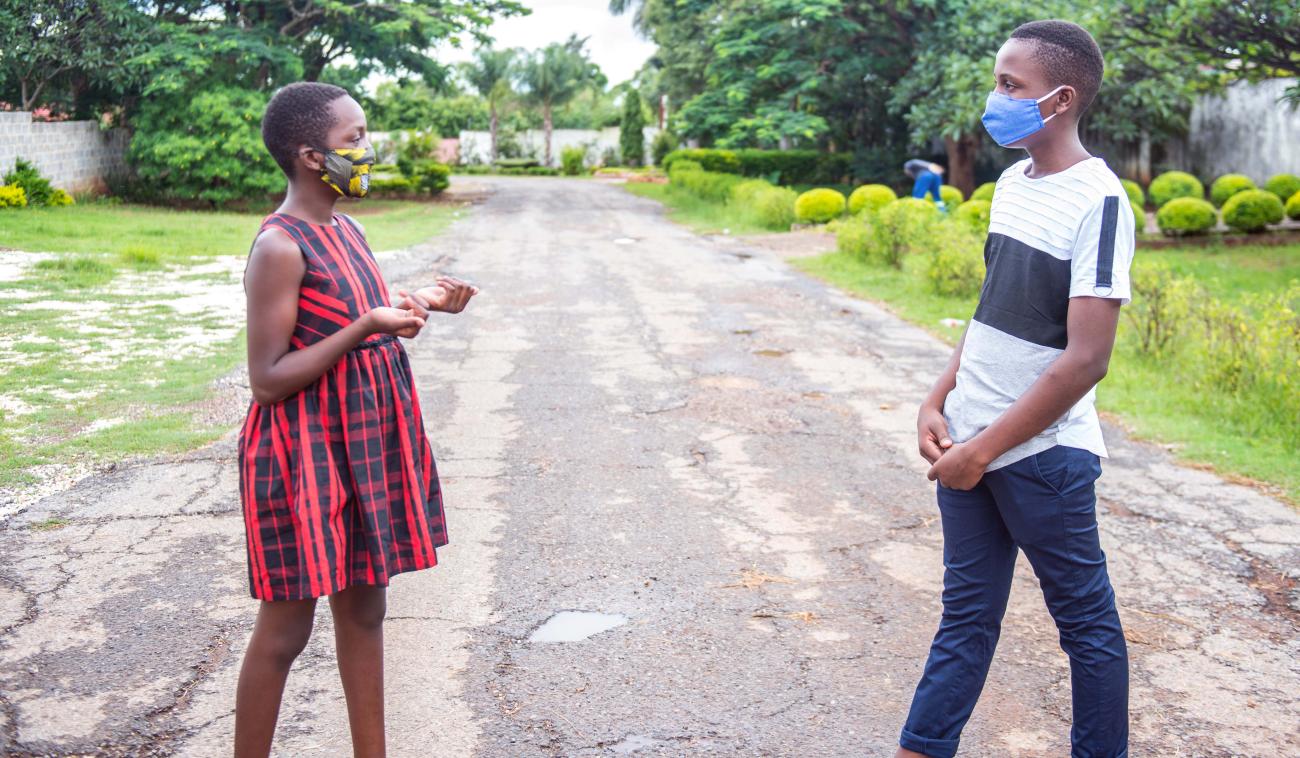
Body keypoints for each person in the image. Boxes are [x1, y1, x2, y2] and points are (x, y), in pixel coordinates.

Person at [898, 19, 1132, 758]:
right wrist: (938, 399)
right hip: (967, 441)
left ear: (1060, 100)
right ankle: (920, 748)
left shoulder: (1100, 202)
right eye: (997, 83)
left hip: (1041, 460)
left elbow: (1086, 360)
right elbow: (991, 309)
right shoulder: (1008, 185)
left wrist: (984, 451)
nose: (993, 100)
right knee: (964, 619)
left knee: (1087, 632)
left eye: (1010, 87)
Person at [234, 81, 477, 757]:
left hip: (364, 444)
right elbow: (268, 379)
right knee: (285, 632)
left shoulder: (350, 228)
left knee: (366, 612)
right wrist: (369, 323)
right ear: (313, 156)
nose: (369, 151)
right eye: (356, 140)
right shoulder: (280, 247)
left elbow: (356, 309)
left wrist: (418, 299)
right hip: (301, 454)